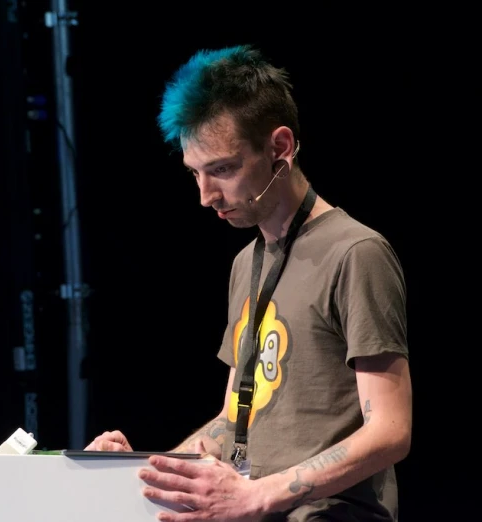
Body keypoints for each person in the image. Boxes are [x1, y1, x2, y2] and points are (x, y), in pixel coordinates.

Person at [85, 44, 412, 522]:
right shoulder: (247, 262)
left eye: (222, 169)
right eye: (194, 173)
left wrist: (259, 495)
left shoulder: (355, 253)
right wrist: (147, 473)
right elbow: (233, 422)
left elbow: (390, 429)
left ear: (280, 147)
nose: (205, 196)